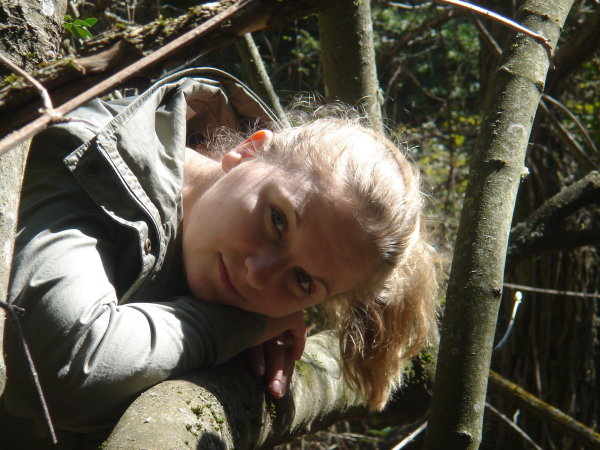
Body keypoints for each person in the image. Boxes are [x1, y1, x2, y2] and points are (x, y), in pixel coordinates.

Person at [2, 68, 438, 435]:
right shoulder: (94, 158)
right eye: (277, 221)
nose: (258, 273)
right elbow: (60, 373)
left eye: (303, 281)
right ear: (249, 151)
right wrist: (242, 326)